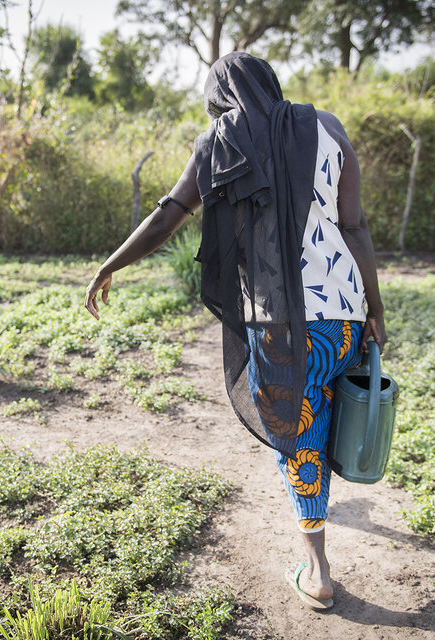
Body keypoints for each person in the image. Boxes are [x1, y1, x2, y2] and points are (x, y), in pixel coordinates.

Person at [84, 52, 386, 611]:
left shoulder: (217, 145)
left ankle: (318, 571)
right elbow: (355, 224)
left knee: (297, 436)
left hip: (278, 326)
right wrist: (377, 308)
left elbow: (166, 216)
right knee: (324, 401)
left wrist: (109, 265)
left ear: (219, 96)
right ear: (271, 85)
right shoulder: (328, 127)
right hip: (342, 313)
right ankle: (323, 495)